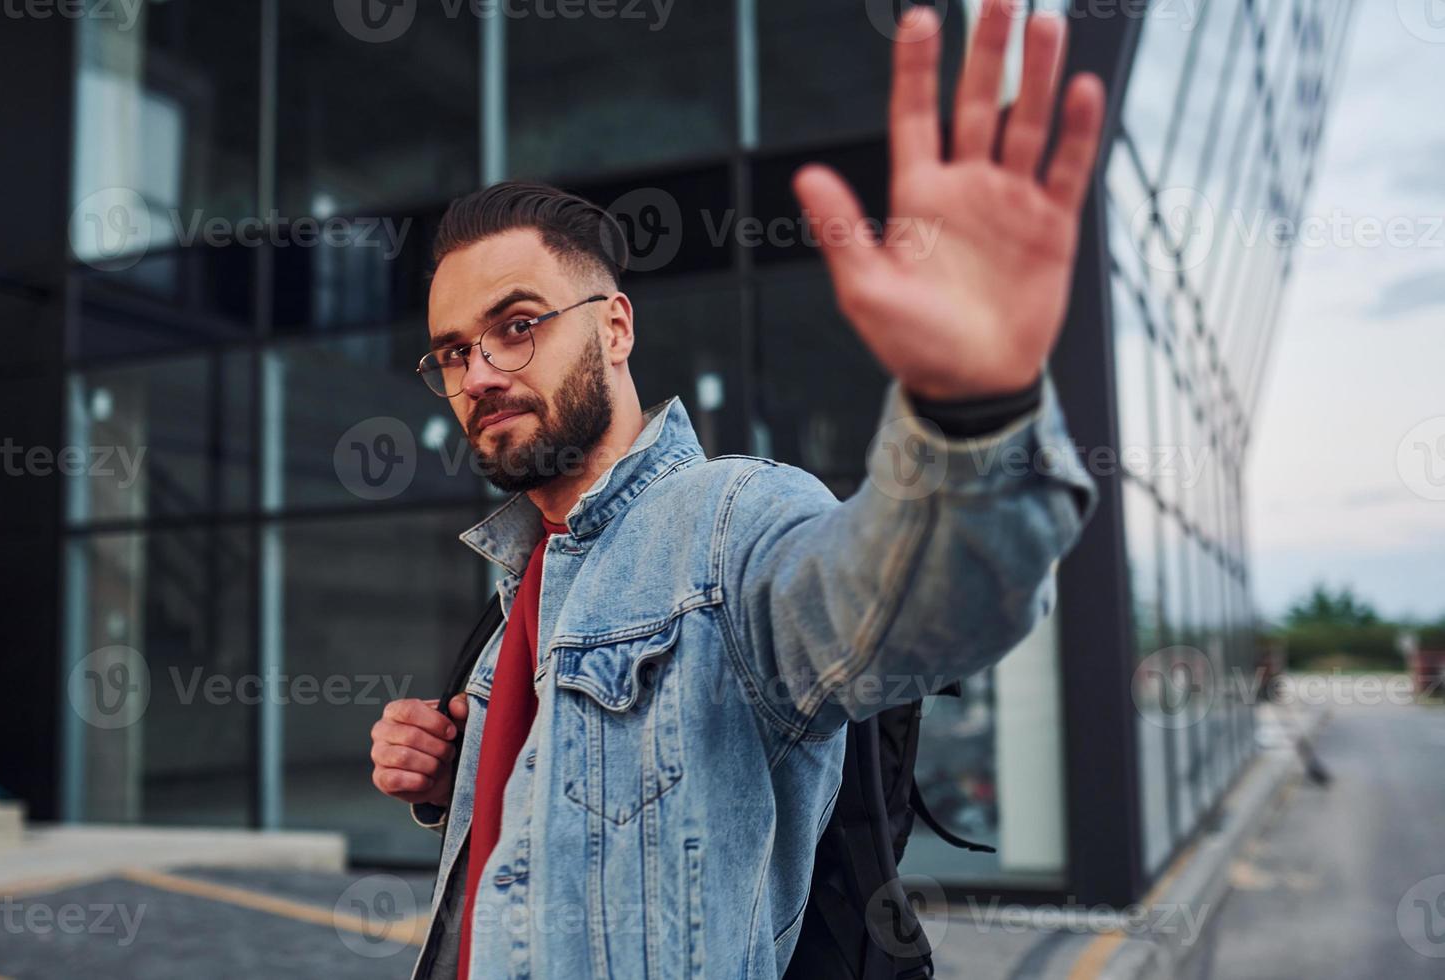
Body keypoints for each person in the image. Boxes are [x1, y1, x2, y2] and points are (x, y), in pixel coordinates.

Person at [369, 3, 1106, 976]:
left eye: (518, 324)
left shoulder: (730, 525)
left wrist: (973, 409)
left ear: (617, 328)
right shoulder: (518, 594)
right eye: (455, 350)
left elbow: (916, 611)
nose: (481, 371)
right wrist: (447, 777)